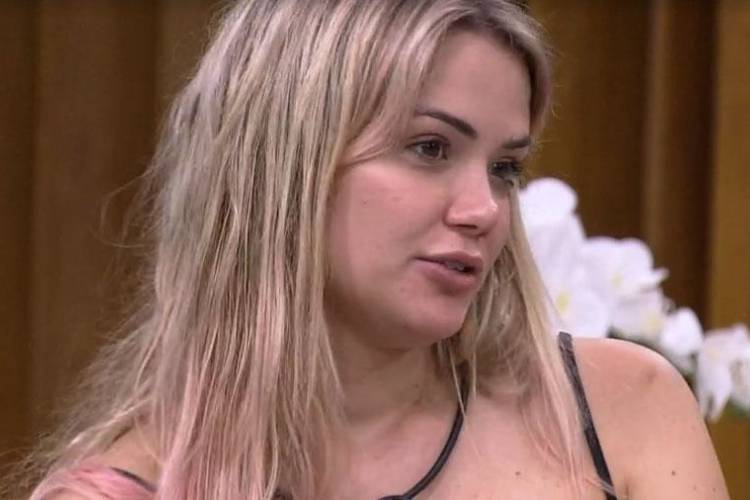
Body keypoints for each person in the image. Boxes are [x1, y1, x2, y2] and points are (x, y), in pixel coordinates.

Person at [14, 0, 728, 498]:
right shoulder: (128, 489)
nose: (483, 209)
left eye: (505, 168)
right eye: (429, 148)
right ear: (285, 165)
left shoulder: (623, 411)